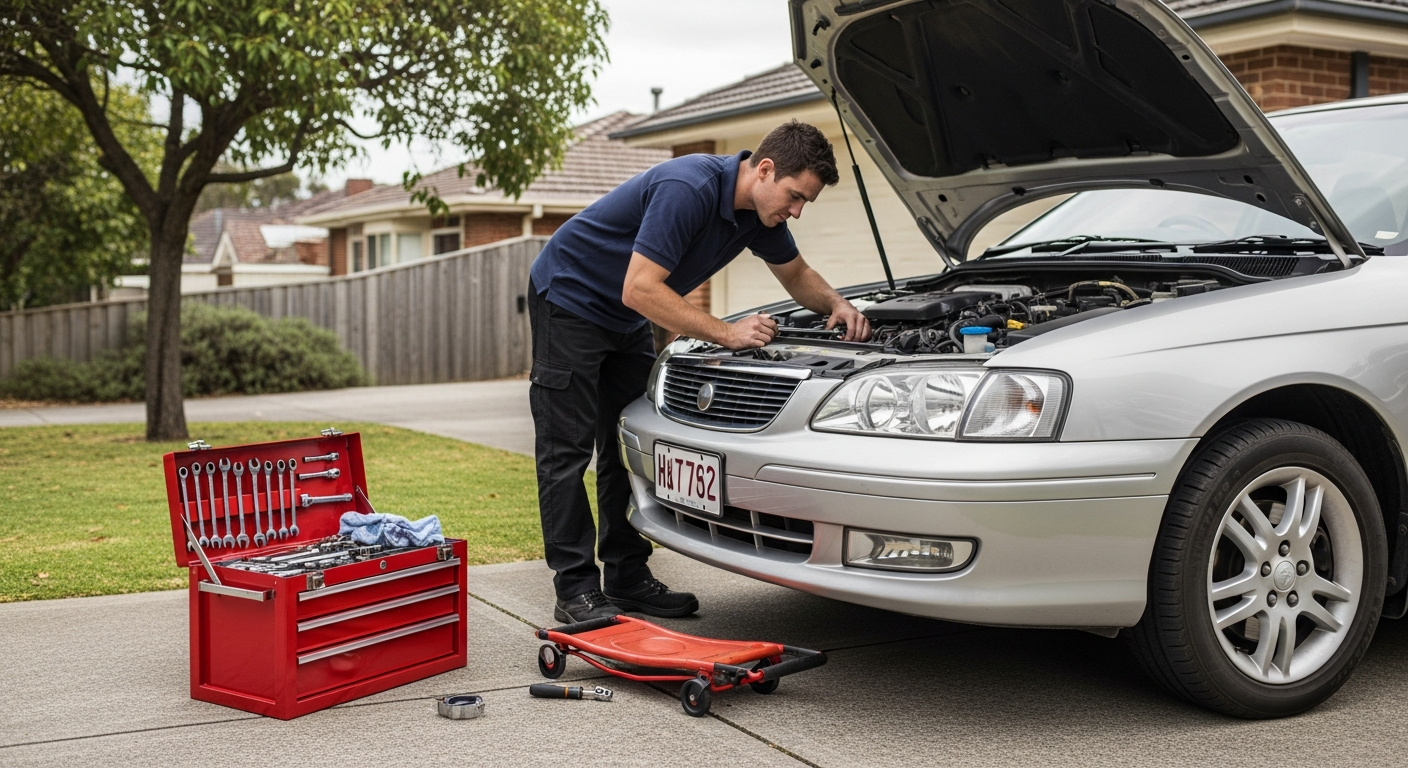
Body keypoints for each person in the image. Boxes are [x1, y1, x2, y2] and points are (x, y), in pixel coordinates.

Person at [527, 120, 873, 622]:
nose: (796, 210)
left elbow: (796, 274)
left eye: (805, 203)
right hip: (570, 297)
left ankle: (625, 575)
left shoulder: (761, 216)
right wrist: (726, 332)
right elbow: (641, 288)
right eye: (795, 196)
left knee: (620, 446)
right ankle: (576, 589)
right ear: (766, 170)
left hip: (623, 316)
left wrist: (838, 306)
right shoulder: (687, 188)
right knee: (567, 450)